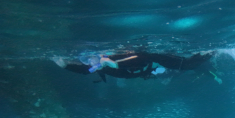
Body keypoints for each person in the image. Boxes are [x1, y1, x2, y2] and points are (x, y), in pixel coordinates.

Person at [53, 51, 217, 83]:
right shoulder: (104, 65)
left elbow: (84, 70)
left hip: (142, 64)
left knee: (185, 64)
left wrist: (64, 64)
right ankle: (212, 52)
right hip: (140, 67)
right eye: (87, 60)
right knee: (185, 65)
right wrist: (63, 64)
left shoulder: (106, 60)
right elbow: (84, 71)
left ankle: (208, 53)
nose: (90, 61)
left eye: (91, 58)